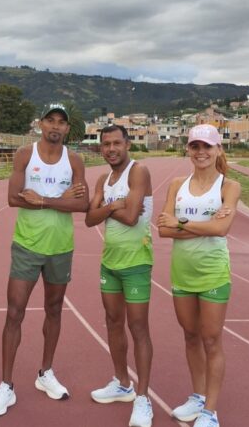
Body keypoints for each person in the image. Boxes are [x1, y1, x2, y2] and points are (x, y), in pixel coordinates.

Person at [0, 103, 89, 416]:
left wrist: (42, 200)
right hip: (27, 246)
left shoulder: (74, 160)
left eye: (61, 122)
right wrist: (62, 201)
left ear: (67, 129)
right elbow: (14, 198)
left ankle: (46, 373)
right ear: (40, 125)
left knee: (54, 310)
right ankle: (6, 385)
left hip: (61, 247)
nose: (55, 127)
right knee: (14, 312)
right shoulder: (25, 155)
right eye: (50, 121)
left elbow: (83, 205)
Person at [157, 124, 241, 427]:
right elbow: (163, 230)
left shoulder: (227, 187)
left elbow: (221, 230)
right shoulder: (178, 184)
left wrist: (180, 222)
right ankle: (198, 396)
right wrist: (193, 225)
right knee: (190, 337)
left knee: (211, 340)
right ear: (188, 150)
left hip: (213, 274)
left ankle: (210, 411)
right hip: (182, 274)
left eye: (207, 146)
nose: (201, 152)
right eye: (195, 146)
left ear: (219, 149)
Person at [84, 125, 154, 427]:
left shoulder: (139, 172)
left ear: (127, 144)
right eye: (106, 144)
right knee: (113, 323)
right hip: (109, 264)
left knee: (138, 328)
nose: (111, 149)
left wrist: (106, 209)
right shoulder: (103, 178)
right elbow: (89, 219)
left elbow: (131, 217)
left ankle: (142, 398)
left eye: (116, 143)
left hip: (136, 263)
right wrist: (115, 205)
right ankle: (122, 382)